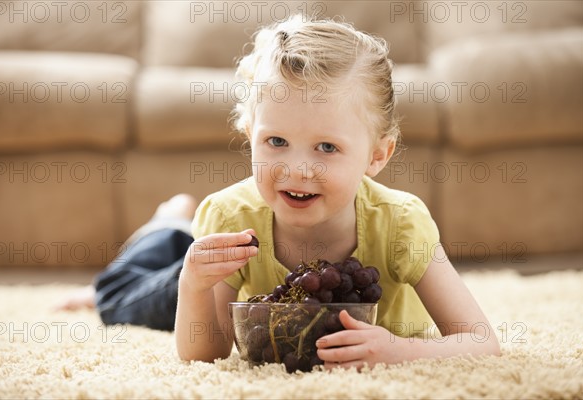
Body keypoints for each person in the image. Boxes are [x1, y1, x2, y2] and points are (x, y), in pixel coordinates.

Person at [61, 14, 500, 370]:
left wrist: (399, 351)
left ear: (378, 155)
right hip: (195, 251)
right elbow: (206, 354)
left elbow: (482, 343)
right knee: (117, 300)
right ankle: (168, 225)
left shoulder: (401, 223)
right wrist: (192, 286)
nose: (297, 169)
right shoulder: (228, 216)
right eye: (276, 142)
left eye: (327, 147)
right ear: (250, 133)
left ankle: (172, 226)